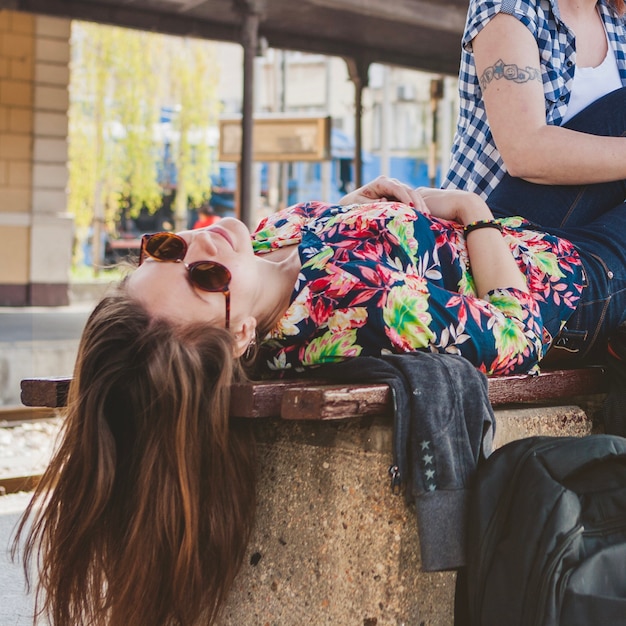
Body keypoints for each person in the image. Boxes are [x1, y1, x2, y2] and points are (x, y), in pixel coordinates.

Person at [14, 176, 593, 625]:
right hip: (574, 269)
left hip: (531, 224)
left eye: (165, 248)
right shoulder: (358, 313)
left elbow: (320, 247)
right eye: (206, 277)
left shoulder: (261, 253)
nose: (198, 242)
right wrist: (471, 210)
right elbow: (518, 333)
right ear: (241, 337)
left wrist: (357, 205)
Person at [444, 0, 626, 362]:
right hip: (494, 233)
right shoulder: (509, 9)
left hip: (576, 240)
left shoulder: (615, 19)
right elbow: (524, 152)